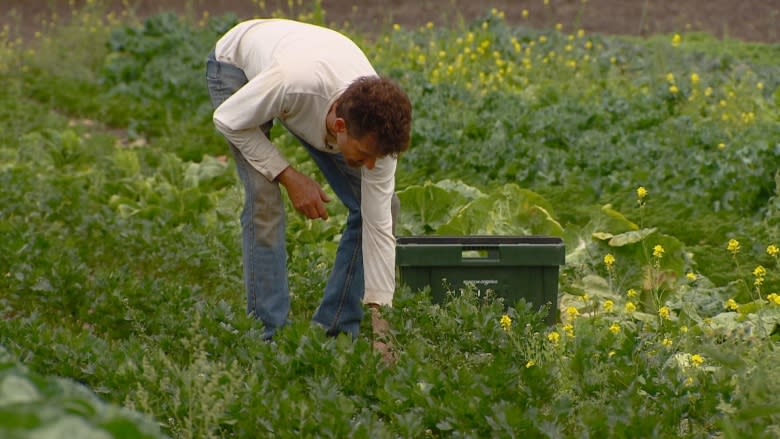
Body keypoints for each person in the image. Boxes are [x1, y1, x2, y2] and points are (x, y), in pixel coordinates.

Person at [205, 18, 412, 344]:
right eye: (364, 154)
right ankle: (268, 336)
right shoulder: (293, 84)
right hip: (238, 65)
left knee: (385, 204)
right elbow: (229, 120)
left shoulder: (376, 140)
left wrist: (382, 327)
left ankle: (336, 331)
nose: (370, 165)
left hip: (303, 73)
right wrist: (288, 175)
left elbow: (379, 228)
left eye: (377, 158)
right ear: (340, 126)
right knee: (264, 197)